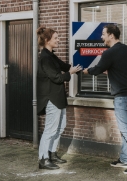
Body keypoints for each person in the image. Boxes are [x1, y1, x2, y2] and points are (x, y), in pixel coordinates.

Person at [83, 24, 127, 174]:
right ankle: (125, 159)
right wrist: (111, 72)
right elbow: (123, 70)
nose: (101, 37)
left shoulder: (109, 53)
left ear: (111, 35)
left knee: (125, 128)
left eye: (104, 34)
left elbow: (98, 69)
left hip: (122, 96)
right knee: (125, 128)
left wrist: (86, 71)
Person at [36, 27, 82, 170]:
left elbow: (65, 66)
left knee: (60, 126)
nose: (58, 40)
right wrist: (70, 73)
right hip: (51, 98)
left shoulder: (51, 56)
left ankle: (52, 153)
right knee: (50, 129)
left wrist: (83, 67)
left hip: (58, 97)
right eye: (55, 38)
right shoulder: (45, 58)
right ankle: (43, 159)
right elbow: (56, 78)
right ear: (46, 40)